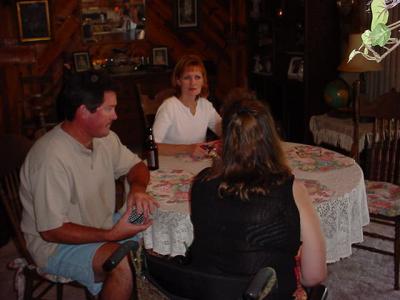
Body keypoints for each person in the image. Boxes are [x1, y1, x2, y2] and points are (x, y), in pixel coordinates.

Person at [146, 92, 326, 299]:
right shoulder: (292, 190)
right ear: (272, 139)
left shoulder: (201, 182)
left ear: (224, 141)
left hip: (208, 292)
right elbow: (313, 276)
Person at [19, 72, 159, 300]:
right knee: (120, 264)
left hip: (100, 224)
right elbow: (51, 230)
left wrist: (137, 190)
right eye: (109, 108)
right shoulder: (50, 158)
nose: (115, 115)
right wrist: (112, 234)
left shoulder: (105, 138)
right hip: (54, 246)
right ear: (83, 111)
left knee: (153, 218)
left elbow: (137, 167)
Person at [152, 54, 222, 159]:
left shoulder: (206, 106)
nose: (193, 82)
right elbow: (153, 146)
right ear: (178, 81)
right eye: (187, 77)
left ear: (203, 81)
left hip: (197, 163)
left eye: (197, 77)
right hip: (170, 166)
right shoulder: (169, 107)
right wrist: (188, 149)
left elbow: (225, 131)